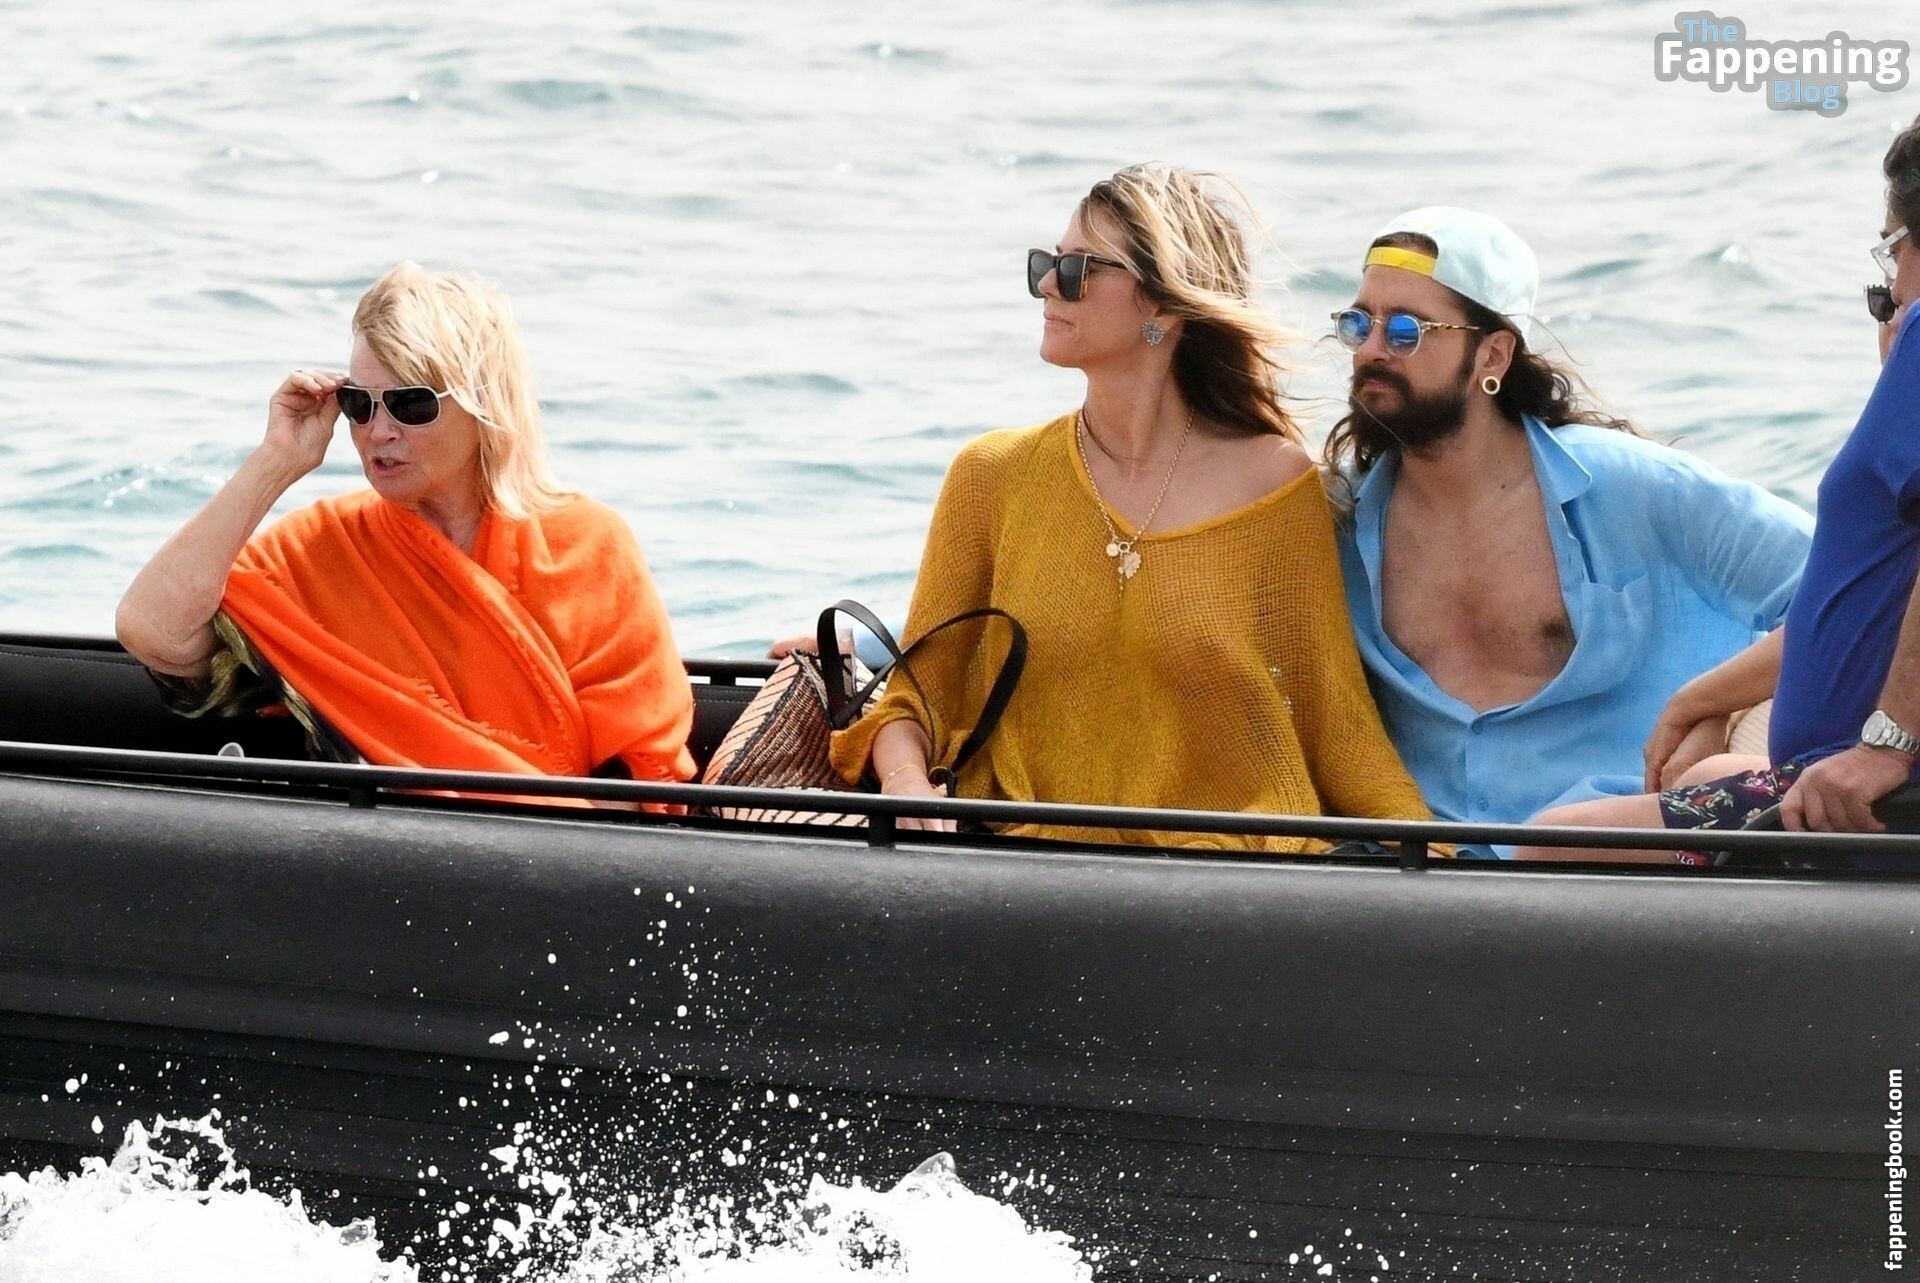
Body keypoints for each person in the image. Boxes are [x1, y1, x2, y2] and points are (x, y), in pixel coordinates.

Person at [826, 164, 1429, 850]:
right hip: (1021, 863)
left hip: (1224, 881)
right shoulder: (991, 476)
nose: (1049, 285)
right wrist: (905, 778)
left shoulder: (1277, 489)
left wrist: (1436, 864)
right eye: (1048, 263)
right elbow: (916, 699)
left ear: (1164, 306)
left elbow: (1336, 728)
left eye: (1078, 269)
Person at [1325, 207, 1814, 858]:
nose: (1370, 350)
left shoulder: (1633, 487)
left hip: (1608, 866)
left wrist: (1709, 703)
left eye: (1407, 330)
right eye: (1359, 324)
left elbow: (1850, 596)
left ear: (1492, 354)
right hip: (1421, 867)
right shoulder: (1339, 519)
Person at [116, 262, 694, 800]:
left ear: (484, 404)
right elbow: (153, 630)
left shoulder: (590, 543)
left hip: (562, 848)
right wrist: (276, 462)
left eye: (411, 405)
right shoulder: (323, 547)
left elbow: (645, 767)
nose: (378, 431)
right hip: (386, 845)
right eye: (358, 405)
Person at [1516, 117, 1920, 862]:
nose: (1890, 299)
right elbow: (1864, 601)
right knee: (1705, 771)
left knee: (1547, 845)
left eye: (1889, 259)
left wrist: (1887, 745)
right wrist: (1700, 697)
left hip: (1863, 804)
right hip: (1833, 778)